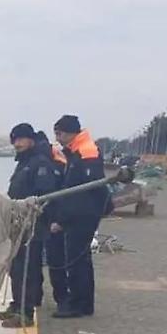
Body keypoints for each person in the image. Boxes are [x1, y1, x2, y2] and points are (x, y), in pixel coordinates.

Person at [0, 122, 60, 327]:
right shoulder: (24, 162)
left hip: (32, 226)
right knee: (16, 267)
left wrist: (32, 211)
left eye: (21, 139)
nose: (17, 144)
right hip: (19, 224)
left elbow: (45, 194)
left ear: (31, 140)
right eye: (14, 140)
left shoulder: (40, 163)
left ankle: (25, 312)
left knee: (28, 268)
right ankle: (17, 305)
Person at [49, 114, 106, 318]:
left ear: (71, 132)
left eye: (59, 133)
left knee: (76, 260)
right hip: (82, 213)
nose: (57, 138)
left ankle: (78, 304)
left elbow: (82, 191)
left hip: (83, 215)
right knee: (79, 259)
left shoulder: (86, 152)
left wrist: (62, 219)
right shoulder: (76, 152)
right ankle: (83, 303)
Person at [35, 130, 69, 307]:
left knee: (35, 262)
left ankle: (35, 298)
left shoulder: (38, 161)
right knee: (57, 263)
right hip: (54, 218)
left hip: (41, 218)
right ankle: (62, 300)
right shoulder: (60, 160)